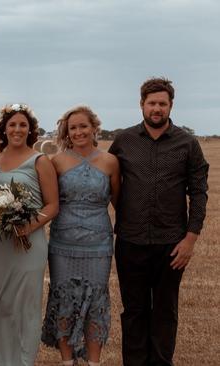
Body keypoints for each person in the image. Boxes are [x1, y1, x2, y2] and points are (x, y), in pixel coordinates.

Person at [109, 77, 209, 366]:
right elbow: (110, 183)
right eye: (151, 103)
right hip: (130, 241)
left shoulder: (187, 143)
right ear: (141, 105)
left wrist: (190, 239)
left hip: (172, 244)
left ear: (170, 106)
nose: (157, 108)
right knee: (134, 311)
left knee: (165, 311)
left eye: (162, 104)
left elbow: (199, 192)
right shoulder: (123, 141)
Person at [0, 103, 59, 366]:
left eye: (23, 125)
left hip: (27, 246)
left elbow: (53, 205)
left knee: (22, 309)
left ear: (30, 130)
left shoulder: (40, 161)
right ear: (3, 129)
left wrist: (28, 226)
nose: (17, 129)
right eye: (12, 124)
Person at [41, 106, 120, 366]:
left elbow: (118, 201)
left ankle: (93, 362)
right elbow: (48, 200)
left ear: (94, 127)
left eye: (83, 126)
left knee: (96, 299)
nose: (78, 132)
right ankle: (67, 361)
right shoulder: (57, 162)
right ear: (66, 132)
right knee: (63, 297)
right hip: (63, 242)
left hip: (98, 243)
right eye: (72, 128)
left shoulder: (110, 162)